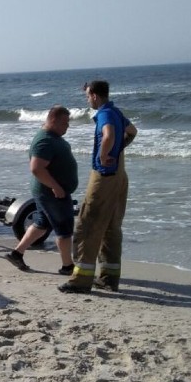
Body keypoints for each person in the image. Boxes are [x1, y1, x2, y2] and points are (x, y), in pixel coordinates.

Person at [59, 80, 137, 294]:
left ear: (94, 95)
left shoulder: (104, 113)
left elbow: (109, 134)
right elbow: (132, 131)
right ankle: (109, 278)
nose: (87, 100)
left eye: (87, 96)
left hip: (104, 177)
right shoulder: (116, 111)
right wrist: (118, 151)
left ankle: (80, 281)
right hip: (120, 176)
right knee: (111, 227)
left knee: (88, 224)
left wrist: (104, 156)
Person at [6, 104, 78, 274]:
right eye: (64, 123)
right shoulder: (45, 140)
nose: (67, 126)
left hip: (48, 191)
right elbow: (36, 168)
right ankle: (68, 266)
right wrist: (56, 187)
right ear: (53, 120)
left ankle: (17, 253)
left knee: (42, 224)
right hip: (51, 193)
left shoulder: (52, 137)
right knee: (64, 228)